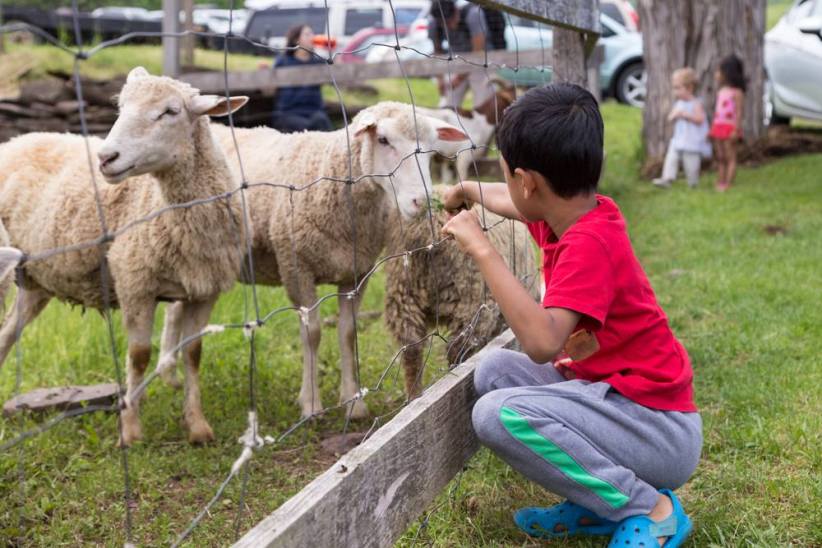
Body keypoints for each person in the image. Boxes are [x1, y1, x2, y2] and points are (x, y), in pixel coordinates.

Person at [440, 84, 701, 547]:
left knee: (498, 414)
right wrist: (469, 191)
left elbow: (542, 344)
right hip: (617, 402)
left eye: (508, 176)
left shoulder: (588, 246)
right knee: (497, 370)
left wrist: (483, 249)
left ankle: (649, 509)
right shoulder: (576, 214)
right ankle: (597, 504)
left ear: (530, 183)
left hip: (658, 429)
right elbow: (510, 199)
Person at [428, 0, 505, 109]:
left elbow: (478, 52)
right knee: (448, 103)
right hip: (456, 61)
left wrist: (459, 78)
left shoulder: (473, 15)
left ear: (455, 11)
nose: (448, 26)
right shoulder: (434, 23)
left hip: (481, 62)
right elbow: (437, 51)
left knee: (483, 105)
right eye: (443, 23)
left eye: (450, 21)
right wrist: (440, 79)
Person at [652, 68, 710, 189]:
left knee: (691, 164)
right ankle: (667, 178)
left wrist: (685, 115)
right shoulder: (679, 103)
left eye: (678, 88)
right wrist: (673, 116)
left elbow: (700, 120)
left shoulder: (696, 104)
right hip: (679, 139)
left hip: (692, 141)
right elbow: (671, 116)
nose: (675, 92)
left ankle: (693, 183)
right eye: (674, 88)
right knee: (671, 158)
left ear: (689, 88)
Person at [270, 25, 333, 133]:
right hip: (289, 112)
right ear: (296, 39)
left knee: (321, 121)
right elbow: (271, 88)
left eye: (312, 34)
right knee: (307, 128)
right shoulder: (283, 61)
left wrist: (332, 52)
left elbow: (334, 79)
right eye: (307, 34)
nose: (312, 37)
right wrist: (266, 72)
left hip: (314, 111)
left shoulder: (318, 62)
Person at [709, 55, 746, 192]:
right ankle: (721, 180)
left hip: (730, 127)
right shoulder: (721, 91)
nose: (716, 74)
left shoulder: (737, 93)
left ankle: (728, 183)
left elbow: (739, 112)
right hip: (718, 127)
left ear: (727, 73)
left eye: (718, 71)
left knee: (730, 156)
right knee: (720, 156)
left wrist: (736, 129)